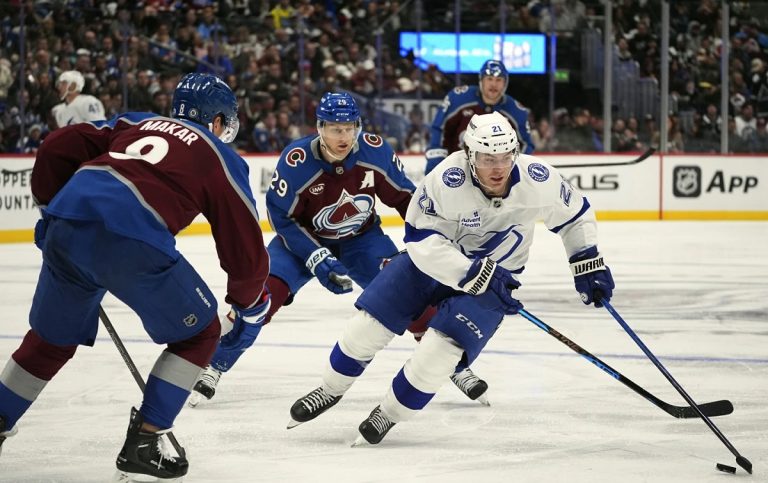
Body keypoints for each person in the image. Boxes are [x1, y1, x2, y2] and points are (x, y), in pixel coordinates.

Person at [0, 73, 271, 481]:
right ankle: (146, 441)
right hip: (132, 234)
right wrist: (249, 299)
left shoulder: (136, 123)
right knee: (200, 332)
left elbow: (58, 144)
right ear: (217, 121)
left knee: (50, 341)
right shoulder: (219, 154)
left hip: (67, 223)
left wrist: (51, 206)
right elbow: (245, 246)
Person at [288, 112, 614, 444]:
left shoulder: (538, 178)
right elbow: (419, 237)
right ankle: (330, 389)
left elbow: (575, 216)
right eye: (488, 158)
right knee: (367, 326)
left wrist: (586, 259)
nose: (498, 167)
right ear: (470, 155)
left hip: (496, 279)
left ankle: (388, 414)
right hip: (431, 265)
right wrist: (470, 273)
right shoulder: (446, 178)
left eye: (504, 157)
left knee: (439, 353)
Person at [189, 92, 490, 408]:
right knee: (260, 298)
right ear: (319, 128)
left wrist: (433, 236)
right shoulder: (297, 162)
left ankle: (453, 365)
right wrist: (315, 256)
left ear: (358, 126)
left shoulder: (374, 153)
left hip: (363, 241)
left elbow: (406, 200)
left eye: (349, 127)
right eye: (334, 128)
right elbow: (280, 216)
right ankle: (215, 364)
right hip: (301, 243)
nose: (343, 136)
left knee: (409, 297)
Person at [424, 59, 535, 175]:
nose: (494, 84)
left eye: (499, 80)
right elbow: (439, 129)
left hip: (495, 174)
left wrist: (513, 170)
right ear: (481, 80)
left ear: (505, 83)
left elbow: (526, 144)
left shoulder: (516, 111)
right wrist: (435, 165)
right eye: (489, 79)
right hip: (456, 170)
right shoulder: (458, 99)